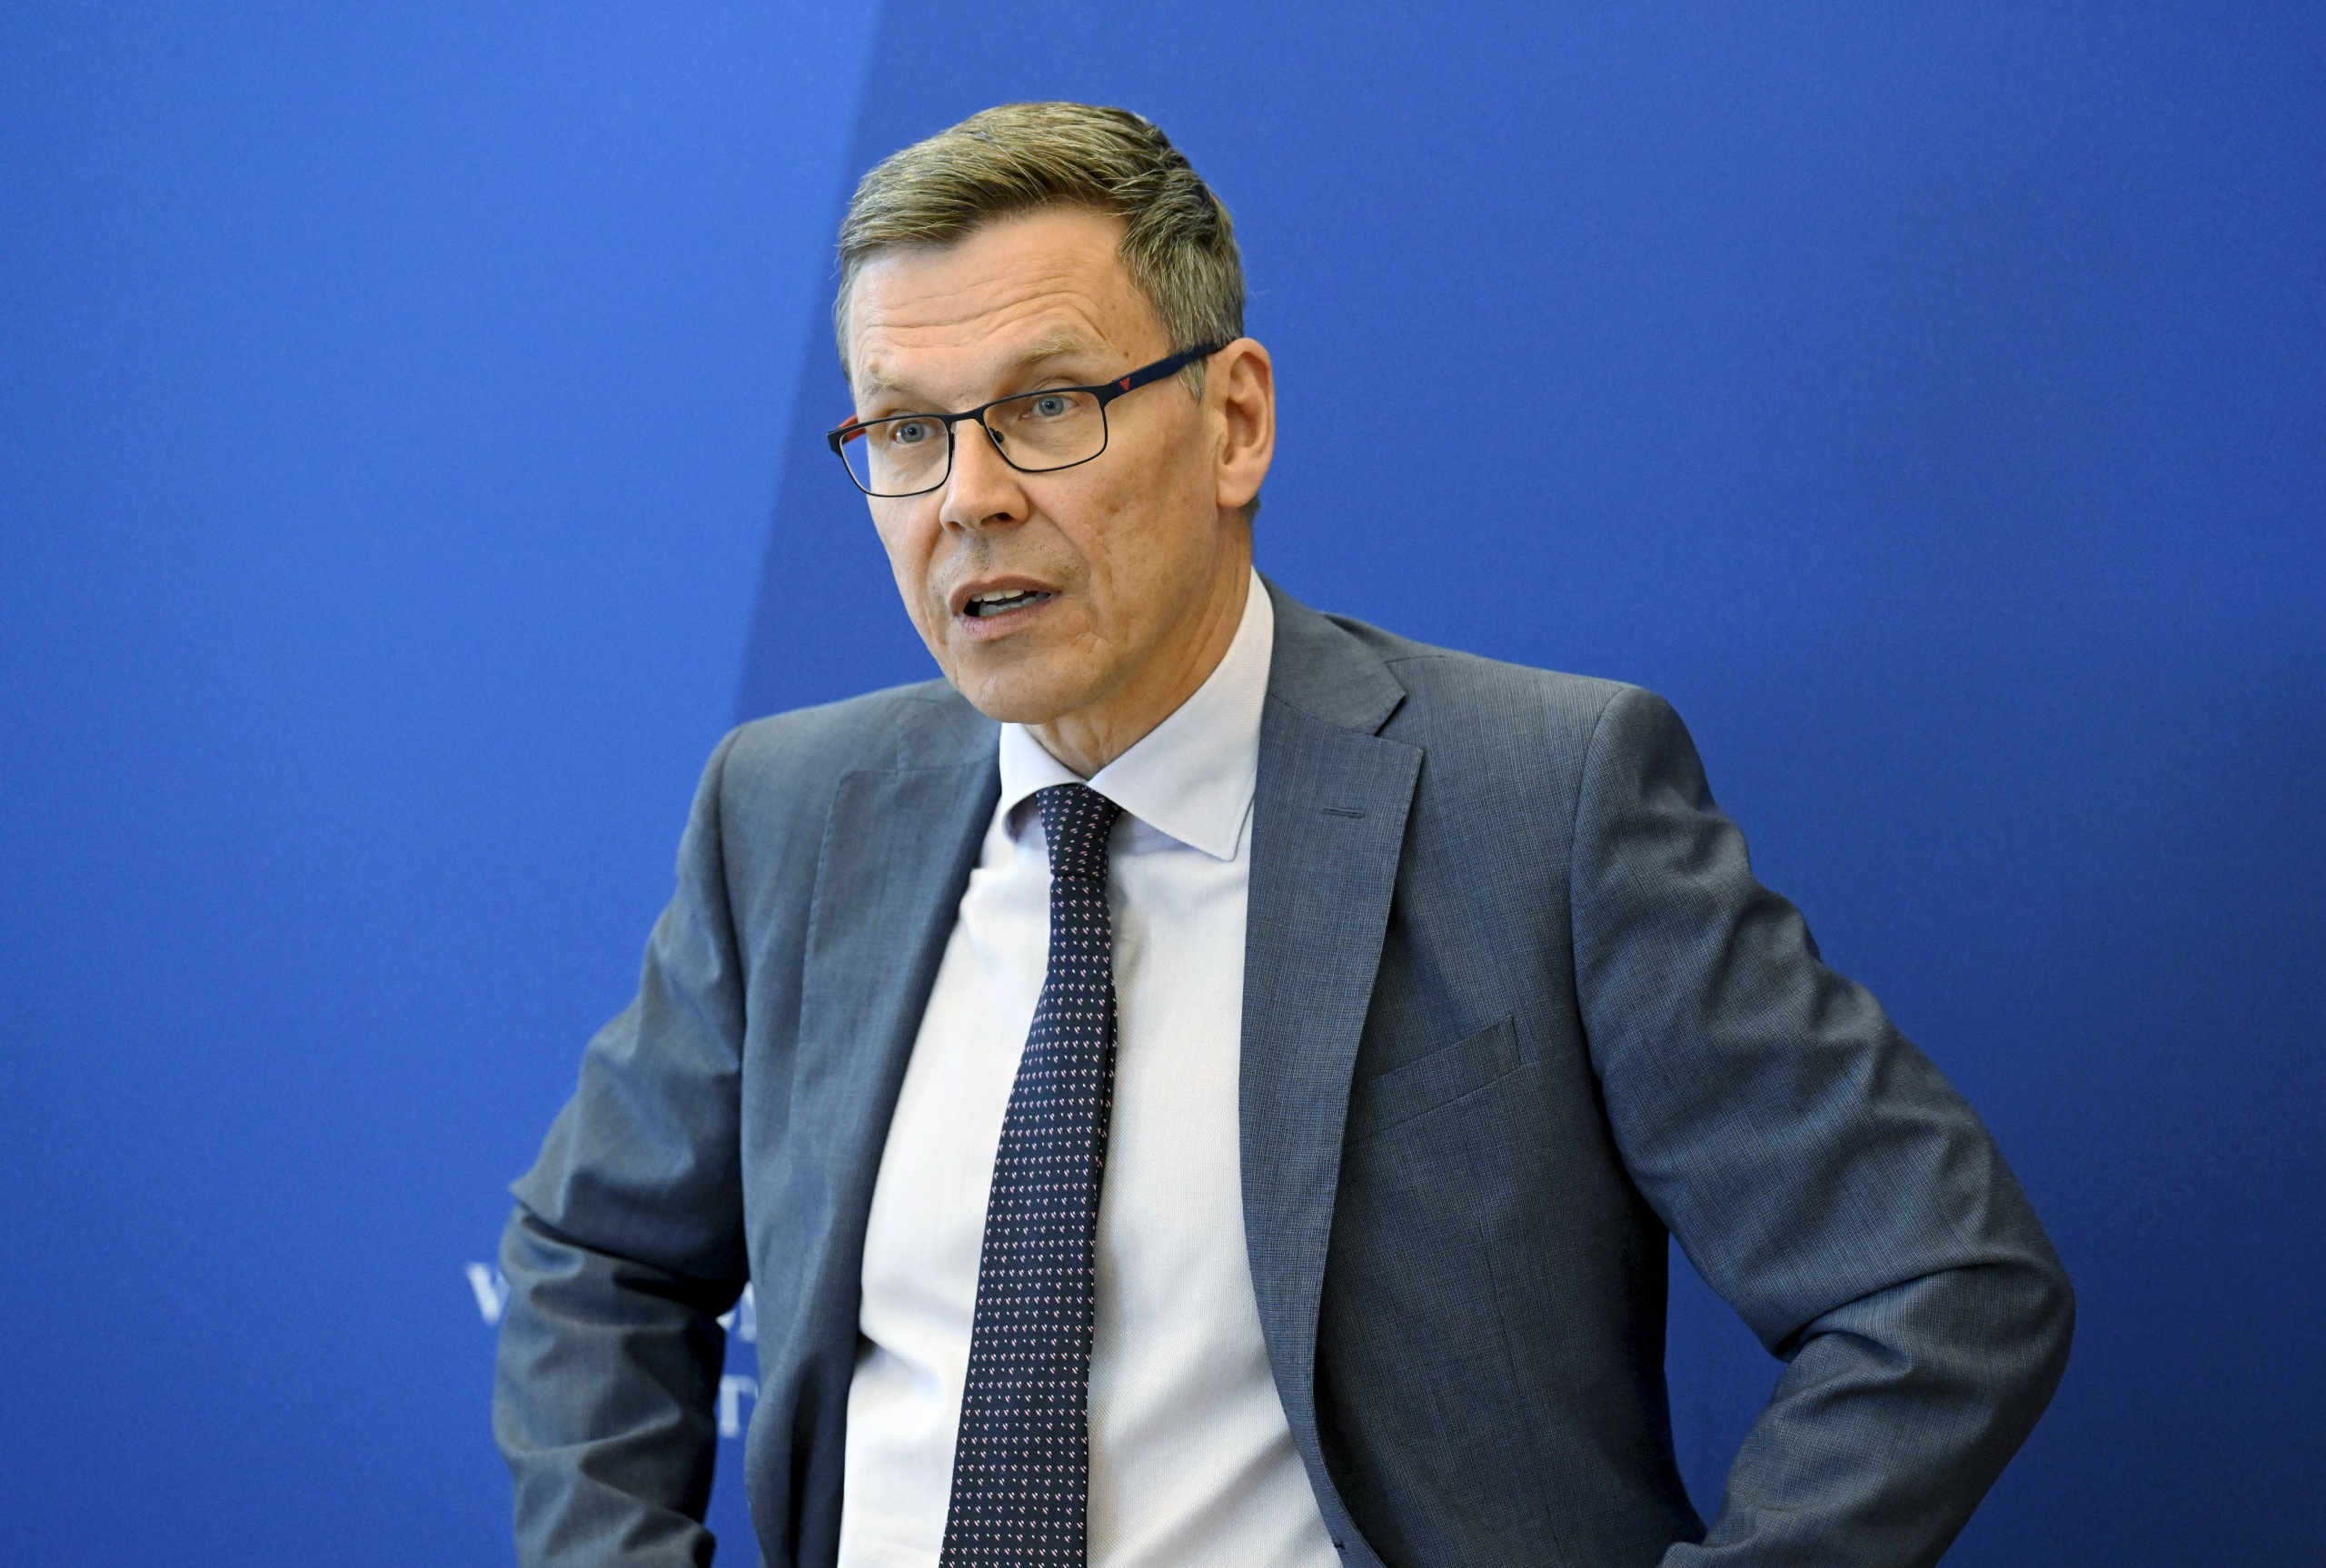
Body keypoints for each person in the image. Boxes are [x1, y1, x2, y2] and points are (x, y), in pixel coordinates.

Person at [493, 102, 2072, 1568]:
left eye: (1046, 406)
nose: (967, 497)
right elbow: (592, 1261)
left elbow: (1938, 1282)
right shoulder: (786, 811)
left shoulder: (1548, 800)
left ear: (1234, 420)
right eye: (907, 431)